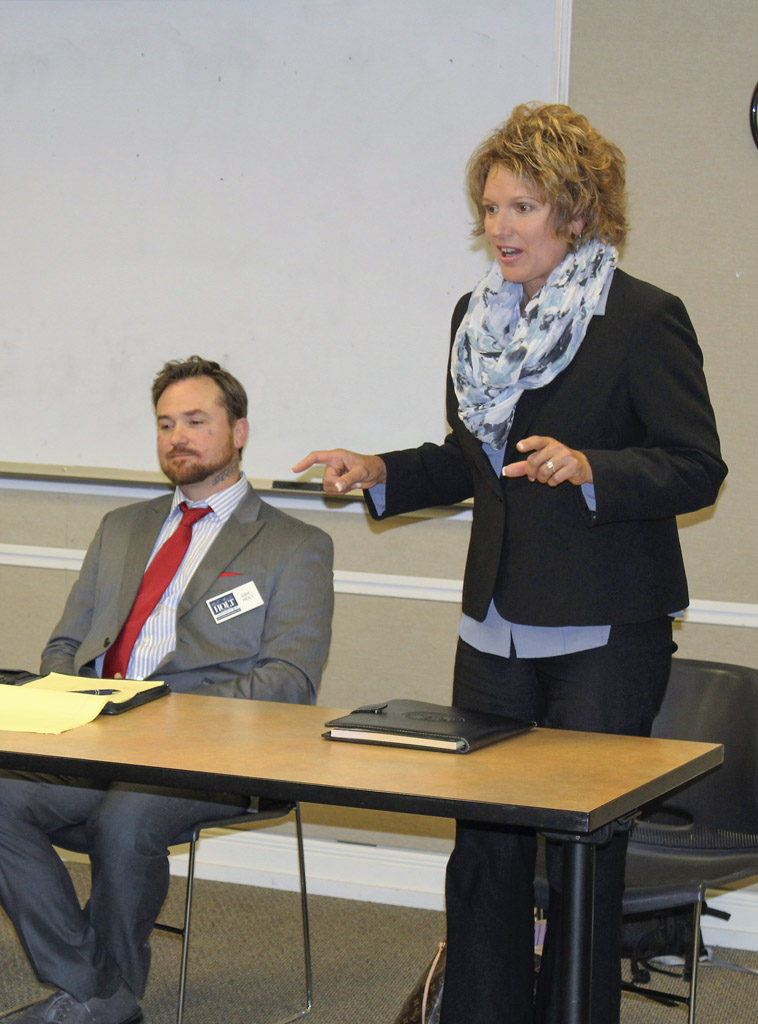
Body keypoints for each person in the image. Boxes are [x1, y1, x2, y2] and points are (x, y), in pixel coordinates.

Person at [293, 103, 727, 1024]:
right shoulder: (476, 319)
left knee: (582, 848)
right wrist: (380, 472)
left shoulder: (644, 319)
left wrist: (592, 467)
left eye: (520, 207)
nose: (498, 228)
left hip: (606, 627)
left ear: (575, 212)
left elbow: (697, 465)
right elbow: (469, 458)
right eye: (489, 208)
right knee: (485, 849)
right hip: (494, 621)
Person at [0, 356, 334, 1024]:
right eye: (165, 424)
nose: (178, 436)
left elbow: (288, 682)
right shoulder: (122, 527)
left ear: (239, 431)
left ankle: (98, 996)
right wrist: (72, 702)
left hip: (214, 757)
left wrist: (161, 720)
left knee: (127, 820)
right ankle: (97, 991)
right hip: (99, 739)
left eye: (196, 421)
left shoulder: (295, 545)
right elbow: (65, 645)